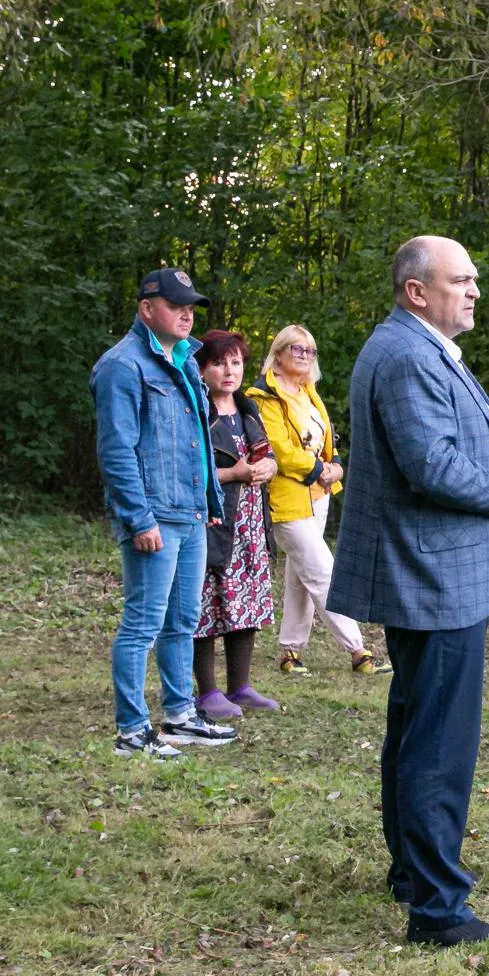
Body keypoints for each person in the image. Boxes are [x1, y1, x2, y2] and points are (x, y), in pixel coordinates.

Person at [327, 235, 489, 946]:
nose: (474, 291)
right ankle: (437, 910)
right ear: (416, 291)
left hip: (434, 572)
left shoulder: (417, 347)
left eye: (474, 280)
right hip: (433, 576)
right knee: (438, 743)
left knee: (417, 727)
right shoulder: (406, 354)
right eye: (460, 280)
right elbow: (432, 466)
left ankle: (414, 873)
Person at [89, 267, 236, 759]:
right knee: (143, 624)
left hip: (189, 512)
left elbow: (197, 441)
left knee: (182, 621)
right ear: (147, 309)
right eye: (175, 306)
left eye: (190, 306)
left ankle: (180, 717)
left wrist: (208, 502)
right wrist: (138, 518)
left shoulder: (186, 360)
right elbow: (117, 451)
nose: (186, 314)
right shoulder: (122, 366)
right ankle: (132, 731)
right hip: (153, 516)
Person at [246, 326, 391, 677]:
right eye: (297, 349)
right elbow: (280, 450)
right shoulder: (264, 396)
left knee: (301, 574)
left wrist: (336, 465)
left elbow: (327, 439)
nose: (305, 356)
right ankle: (358, 650)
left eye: (310, 351)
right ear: (278, 353)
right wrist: (320, 469)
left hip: (318, 496)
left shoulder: (309, 392)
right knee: (324, 571)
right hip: (286, 498)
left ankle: (290, 651)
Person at [191, 330, 281, 721]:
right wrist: (233, 474)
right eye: (218, 363)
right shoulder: (196, 410)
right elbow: (187, 472)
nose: (229, 371)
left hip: (251, 524)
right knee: (207, 607)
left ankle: (240, 687)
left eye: (236, 362)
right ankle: (207, 692)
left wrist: (269, 467)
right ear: (201, 369)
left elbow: (267, 455)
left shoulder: (248, 408)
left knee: (247, 602)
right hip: (214, 524)